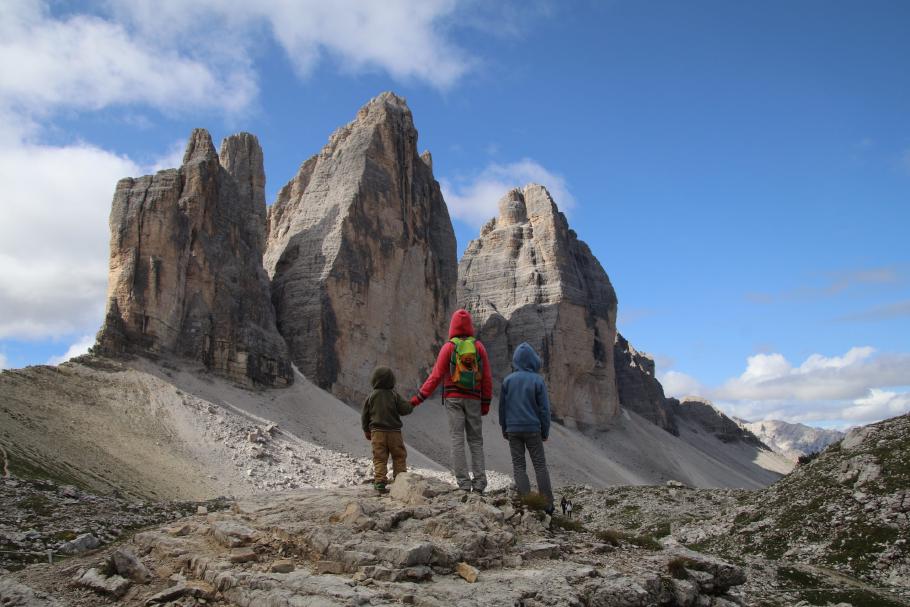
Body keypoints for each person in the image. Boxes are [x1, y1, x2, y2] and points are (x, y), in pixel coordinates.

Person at [412, 309, 492, 493]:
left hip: (453, 398)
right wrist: (486, 403)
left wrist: (419, 398)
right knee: (476, 441)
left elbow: (436, 376)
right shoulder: (479, 347)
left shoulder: (448, 347)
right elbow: (487, 378)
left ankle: (463, 484)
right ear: (470, 326)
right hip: (473, 399)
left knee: (457, 439)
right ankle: (479, 484)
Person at [499, 342, 554, 513]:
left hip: (513, 429)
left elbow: (502, 408)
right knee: (539, 465)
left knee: (518, 466)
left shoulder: (507, 381)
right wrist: (545, 432)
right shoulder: (537, 380)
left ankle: (526, 502)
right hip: (533, 429)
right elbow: (545, 409)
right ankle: (547, 505)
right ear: (533, 361)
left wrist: (504, 429)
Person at [362, 366, 415, 492]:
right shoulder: (394, 395)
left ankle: (380, 481)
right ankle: (400, 480)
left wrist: (366, 430)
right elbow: (405, 410)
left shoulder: (371, 397)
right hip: (394, 433)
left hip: (377, 433)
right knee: (399, 456)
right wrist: (412, 404)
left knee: (379, 457)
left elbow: (365, 416)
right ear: (392, 380)